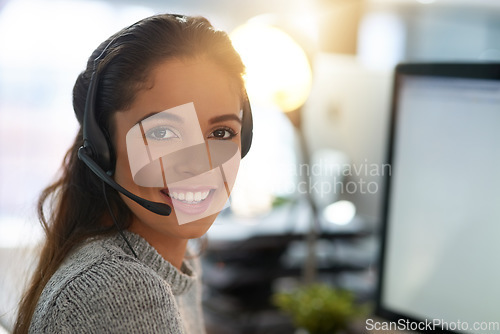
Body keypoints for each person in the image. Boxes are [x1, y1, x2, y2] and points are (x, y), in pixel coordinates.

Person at [14, 13, 252, 334]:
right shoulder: (120, 288)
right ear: (103, 149)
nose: (199, 165)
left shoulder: (179, 262)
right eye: (164, 133)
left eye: (221, 133)